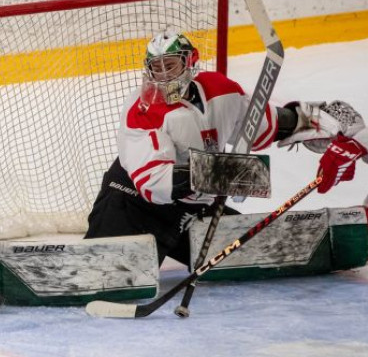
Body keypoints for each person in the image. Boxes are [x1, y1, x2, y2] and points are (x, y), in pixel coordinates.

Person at [84, 30, 360, 267]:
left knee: (261, 251)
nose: (164, 75)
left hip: (195, 209)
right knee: (109, 270)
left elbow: (263, 124)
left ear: (190, 62)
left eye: (171, 65)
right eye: (157, 67)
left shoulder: (220, 90)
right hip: (133, 203)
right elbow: (153, 184)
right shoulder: (143, 109)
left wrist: (314, 121)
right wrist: (224, 173)